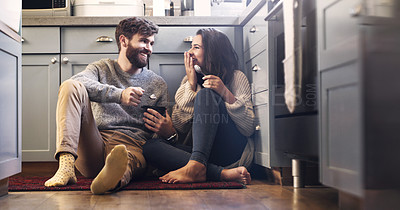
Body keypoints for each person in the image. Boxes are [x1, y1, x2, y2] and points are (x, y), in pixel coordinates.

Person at [44, 17, 168, 194]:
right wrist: (119, 95)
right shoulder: (101, 68)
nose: (149, 48)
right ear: (123, 40)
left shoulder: (157, 83)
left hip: (132, 144)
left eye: (151, 43)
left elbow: (159, 136)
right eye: (143, 41)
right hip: (95, 142)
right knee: (70, 86)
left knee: (125, 160)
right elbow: (76, 81)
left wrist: (167, 132)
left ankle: (109, 180)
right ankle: (65, 166)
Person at [142, 28, 255, 184]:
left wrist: (225, 93)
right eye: (191, 47)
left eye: (196, 47)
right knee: (150, 147)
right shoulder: (189, 80)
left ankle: (198, 166)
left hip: (232, 151)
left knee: (206, 94)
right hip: (204, 156)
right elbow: (180, 130)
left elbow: (248, 128)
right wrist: (191, 86)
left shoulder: (236, 77)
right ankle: (221, 174)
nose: (190, 52)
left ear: (212, 51)